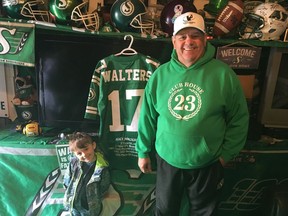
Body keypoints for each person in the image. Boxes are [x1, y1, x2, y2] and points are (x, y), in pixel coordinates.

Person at [135, 12, 249, 216]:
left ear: (205, 39)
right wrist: (143, 151)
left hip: (208, 162)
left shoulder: (224, 75)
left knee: (204, 213)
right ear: (173, 41)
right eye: (182, 36)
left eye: (195, 35)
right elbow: (147, 116)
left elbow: (239, 119)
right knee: (165, 211)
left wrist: (225, 155)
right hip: (167, 159)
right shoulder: (160, 75)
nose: (189, 41)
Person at [63, 132, 110, 216]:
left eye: (86, 149)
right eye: (79, 153)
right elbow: (67, 180)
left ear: (93, 145)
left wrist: (95, 199)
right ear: (74, 154)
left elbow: (104, 186)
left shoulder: (102, 166)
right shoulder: (73, 163)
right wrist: (69, 195)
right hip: (73, 204)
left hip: (90, 207)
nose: (84, 154)